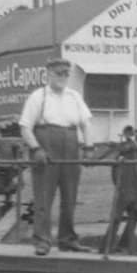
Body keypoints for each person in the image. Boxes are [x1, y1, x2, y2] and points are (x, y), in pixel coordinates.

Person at [18, 57, 96, 255]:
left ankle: (67, 239)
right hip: (46, 147)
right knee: (44, 197)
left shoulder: (74, 97)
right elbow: (25, 127)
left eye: (66, 74)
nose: (62, 77)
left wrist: (88, 148)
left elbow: (86, 124)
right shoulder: (38, 97)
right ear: (49, 74)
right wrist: (36, 148)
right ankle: (42, 240)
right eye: (58, 73)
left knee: (70, 196)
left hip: (70, 146)